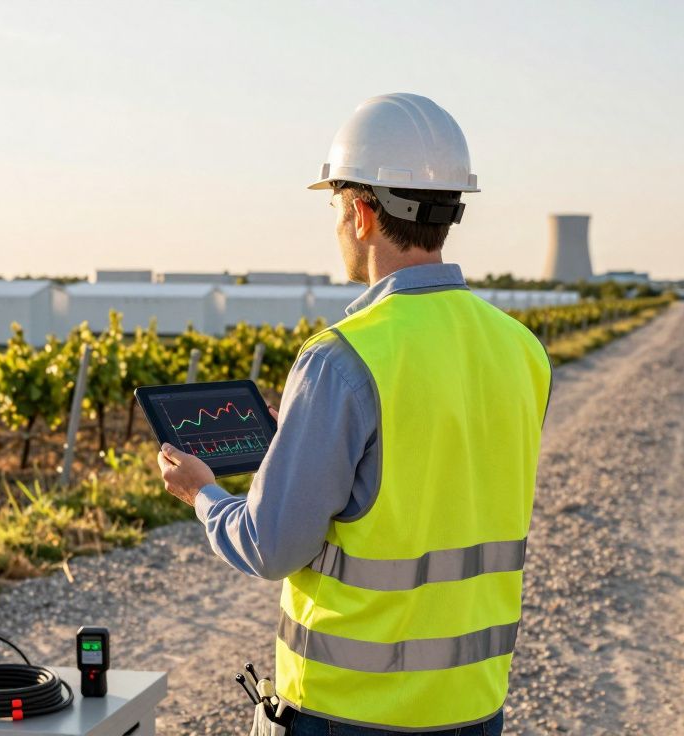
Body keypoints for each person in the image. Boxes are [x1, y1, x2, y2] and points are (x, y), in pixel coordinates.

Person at [156, 93, 551, 735]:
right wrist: (317, 435)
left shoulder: (342, 361)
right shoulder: (522, 349)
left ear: (362, 212)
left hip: (346, 712)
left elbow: (268, 546)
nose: (336, 222)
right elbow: (434, 468)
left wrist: (202, 492)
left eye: (335, 204)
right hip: (473, 705)